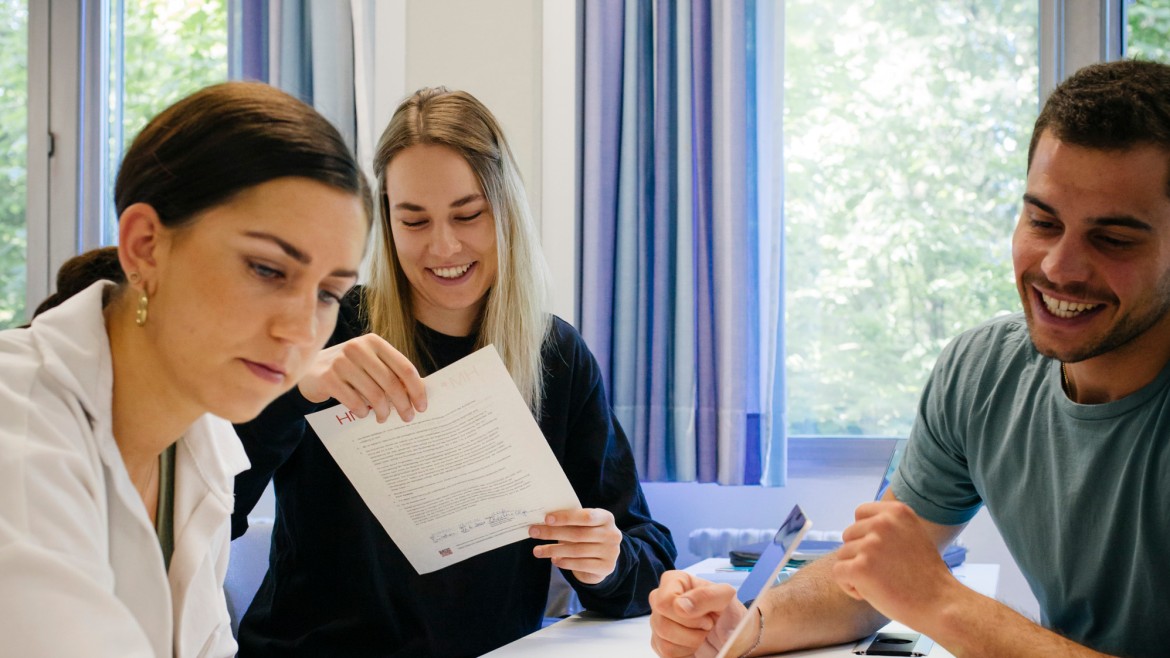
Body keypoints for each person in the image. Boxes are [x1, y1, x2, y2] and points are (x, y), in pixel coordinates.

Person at [648, 58, 1170, 658]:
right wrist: (745, 625)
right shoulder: (984, 373)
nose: (1058, 267)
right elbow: (867, 582)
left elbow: (919, 591)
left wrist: (942, 602)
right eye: (1042, 221)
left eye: (1113, 239)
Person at [231, 87, 677, 657]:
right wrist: (294, 388)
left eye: (468, 215)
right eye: (414, 221)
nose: (443, 246)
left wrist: (606, 564)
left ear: (505, 210)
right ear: (386, 222)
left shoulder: (555, 356)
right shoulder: (326, 328)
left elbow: (647, 556)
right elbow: (211, 510)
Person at [0, 81, 372, 657]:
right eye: (267, 270)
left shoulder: (202, 446)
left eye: (328, 293)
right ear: (145, 246)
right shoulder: (17, 433)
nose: (301, 330)